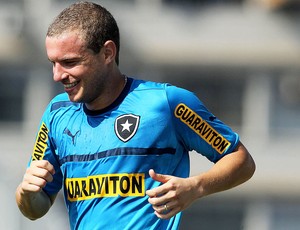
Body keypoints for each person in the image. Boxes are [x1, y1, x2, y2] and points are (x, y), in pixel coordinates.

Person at [15, 1, 255, 230]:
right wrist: (26, 193)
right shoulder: (57, 113)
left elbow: (241, 160)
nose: (57, 75)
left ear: (108, 53)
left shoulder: (166, 103)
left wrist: (196, 187)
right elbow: (35, 208)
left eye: (69, 62)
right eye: (53, 63)